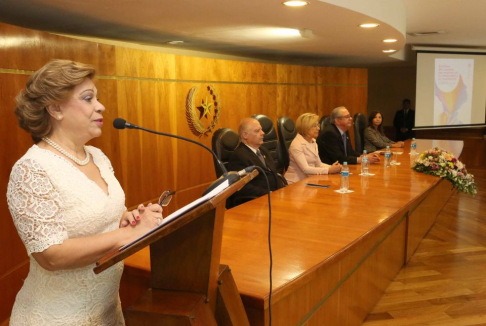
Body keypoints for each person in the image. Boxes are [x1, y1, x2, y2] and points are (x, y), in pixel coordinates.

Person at [6, 60, 163, 326]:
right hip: (58, 316)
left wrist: (125, 218)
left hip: (107, 309)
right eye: (88, 98)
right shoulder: (32, 169)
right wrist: (129, 233)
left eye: (97, 98)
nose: (100, 106)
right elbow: (51, 255)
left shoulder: (97, 156)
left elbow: (95, 216)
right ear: (55, 108)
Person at [227, 118, 285, 207]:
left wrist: (282, 191)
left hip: (274, 197)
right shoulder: (239, 156)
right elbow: (242, 187)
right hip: (257, 202)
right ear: (245, 135)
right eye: (257, 131)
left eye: (261, 129)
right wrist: (270, 194)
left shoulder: (263, 150)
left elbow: (273, 174)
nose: (262, 133)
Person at [285, 113, 341, 184]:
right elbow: (306, 169)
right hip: (295, 182)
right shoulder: (296, 144)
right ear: (305, 127)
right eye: (314, 126)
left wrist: (335, 168)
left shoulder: (313, 141)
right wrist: (329, 170)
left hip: (310, 180)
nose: (318, 128)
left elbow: (318, 164)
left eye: (318, 125)